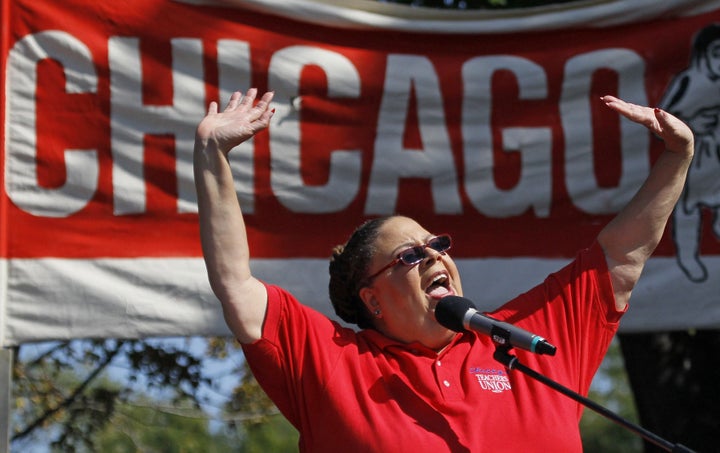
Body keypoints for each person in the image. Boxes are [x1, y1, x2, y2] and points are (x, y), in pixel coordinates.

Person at [193, 88, 693, 452]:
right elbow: (236, 284)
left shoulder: (522, 340)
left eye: (437, 245)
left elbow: (623, 255)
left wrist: (678, 155)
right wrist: (212, 152)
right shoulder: (333, 364)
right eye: (409, 255)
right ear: (373, 300)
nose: (434, 256)